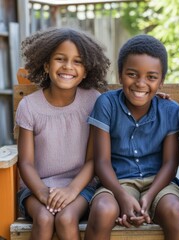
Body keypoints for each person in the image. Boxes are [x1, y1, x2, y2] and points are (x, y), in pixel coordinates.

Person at [84, 34, 179, 240]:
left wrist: (149, 198)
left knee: (175, 210)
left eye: (151, 77)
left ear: (161, 81)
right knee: (103, 210)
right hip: (116, 182)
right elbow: (102, 161)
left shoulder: (169, 110)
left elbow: (170, 164)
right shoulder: (106, 104)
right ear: (120, 75)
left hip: (159, 183)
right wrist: (122, 197)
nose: (141, 83)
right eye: (132, 74)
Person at [16, 27, 110, 240]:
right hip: (36, 188)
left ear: (85, 71)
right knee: (44, 218)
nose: (68, 66)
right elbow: (26, 164)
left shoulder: (94, 101)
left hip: (80, 186)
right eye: (60, 59)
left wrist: (71, 190)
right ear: (47, 65)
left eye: (77, 61)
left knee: (66, 218)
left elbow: (92, 160)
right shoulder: (29, 106)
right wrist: (42, 192)